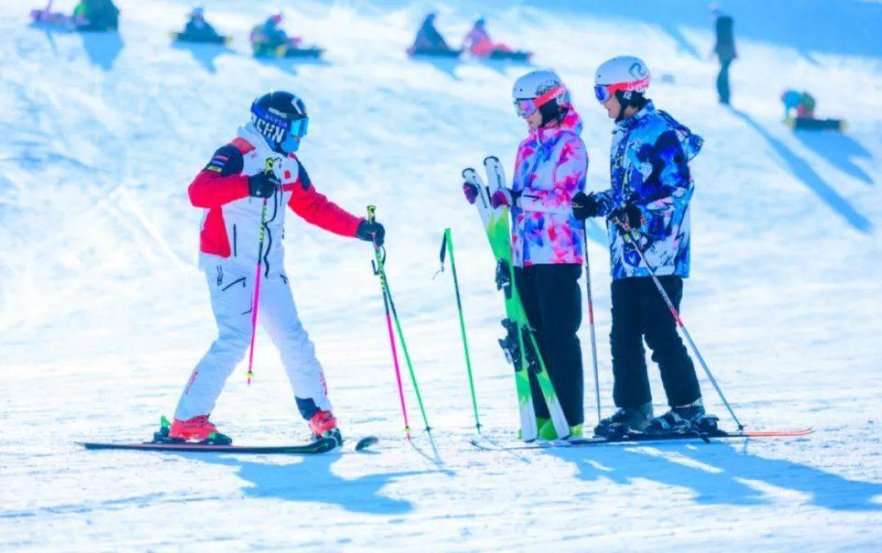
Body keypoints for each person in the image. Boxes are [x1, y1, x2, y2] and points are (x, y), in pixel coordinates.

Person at [165, 91, 385, 446]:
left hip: (268, 269)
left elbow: (313, 206)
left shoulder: (289, 163)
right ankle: (187, 420)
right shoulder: (236, 153)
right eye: (296, 128)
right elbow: (198, 192)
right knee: (234, 339)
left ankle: (319, 414)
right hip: (229, 262)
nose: (300, 136)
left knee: (294, 338)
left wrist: (358, 227)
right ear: (273, 125)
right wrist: (247, 185)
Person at [573, 56, 711, 437]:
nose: (601, 102)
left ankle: (688, 409)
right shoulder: (624, 132)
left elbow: (680, 190)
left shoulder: (658, 131)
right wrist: (596, 204)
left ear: (627, 92)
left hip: (661, 253)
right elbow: (625, 195)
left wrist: (641, 215)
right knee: (624, 333)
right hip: (626, 255)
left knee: (660, 331)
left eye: (604, 93)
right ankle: (635, 409)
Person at [465, 70, 588, 439]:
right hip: (525, 254)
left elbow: (565, 200)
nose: (523, 114)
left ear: (550, 102)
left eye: (527, 106)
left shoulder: (571, 145)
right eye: (517, 107)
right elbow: (518, 198)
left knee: (559, 335)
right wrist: (491, 200)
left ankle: (571, 418)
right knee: (530, 336)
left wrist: (518, 198)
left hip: (558, 253)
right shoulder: (527, 146)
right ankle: (542, 415)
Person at [711, 5, 737, 104]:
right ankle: (724, 98)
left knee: (721, 79)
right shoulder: (726, 24)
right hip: (727, 55)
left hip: (725, 56)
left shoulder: (720, 24)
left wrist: (715, 51)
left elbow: (721, 40)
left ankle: (724, 98)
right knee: (723, 78)